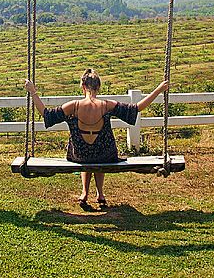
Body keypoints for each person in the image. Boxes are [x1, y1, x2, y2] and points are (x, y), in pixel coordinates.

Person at [24, 69, 169, 210]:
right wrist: (158, 90)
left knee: (87, 154)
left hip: (80, 155)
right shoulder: (107, 105)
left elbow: (46, 114)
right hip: (105, 155)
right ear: (98, 87)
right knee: (100, 151)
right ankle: (100, 194)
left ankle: (85, 193)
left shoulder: (73, 106)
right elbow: (136, 108)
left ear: (83, 86)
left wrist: (33, 92)